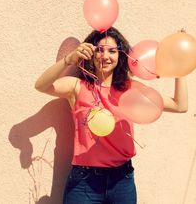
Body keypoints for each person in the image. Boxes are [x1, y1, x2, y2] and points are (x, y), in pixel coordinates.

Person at [35, 27, 188, 204]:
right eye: (99, 50)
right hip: (84, 183)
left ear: (120, 55)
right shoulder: (77, 87)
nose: (105, 56)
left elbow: (180, 106)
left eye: (112, 51)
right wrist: (69, 60)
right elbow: (41, 85)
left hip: (121, 181)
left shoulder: (130, 89)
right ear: (90, 53)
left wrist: (180, 66)